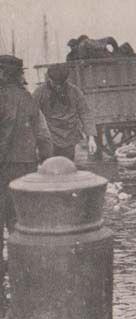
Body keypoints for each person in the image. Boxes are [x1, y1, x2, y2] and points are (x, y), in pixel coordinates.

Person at [0, 55, 53, 300]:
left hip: (4, 170)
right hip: (25, 170)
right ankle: (27, 283)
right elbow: (43, 135)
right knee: (21, 225)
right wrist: (44, 160)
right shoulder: (28, 98)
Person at [33, 64, 97, 161]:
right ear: (49, 79)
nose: (58, 86)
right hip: (49, 137)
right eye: (55, 83)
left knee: (67, 166)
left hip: (69, 137)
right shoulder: (40, 92)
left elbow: (85, 113)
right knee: (48, 166)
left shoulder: (75, 91)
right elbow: (31, 113)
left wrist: (91, 138)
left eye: (61, 83)